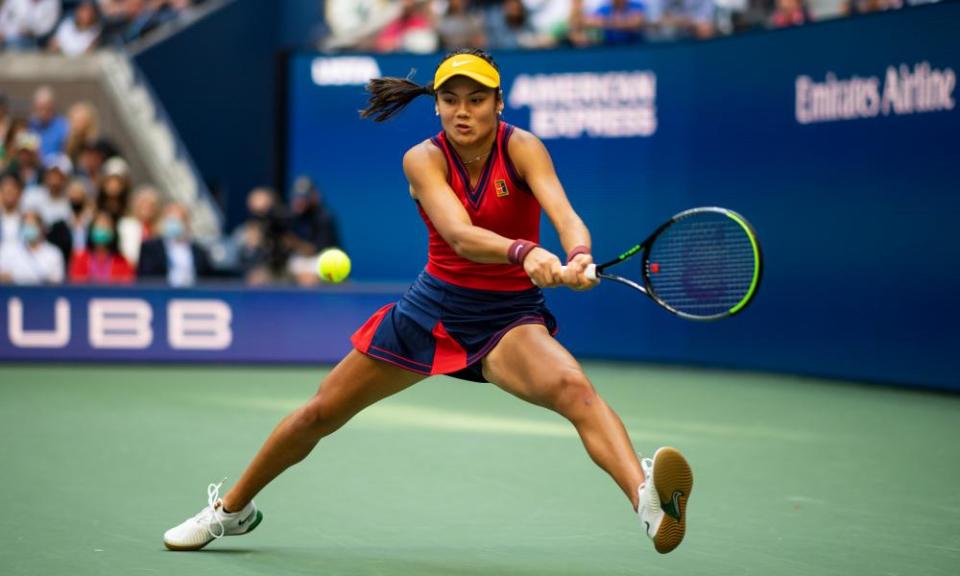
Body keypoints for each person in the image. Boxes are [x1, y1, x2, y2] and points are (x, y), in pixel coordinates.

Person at [162, 49, 693, 555]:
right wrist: (525, 251)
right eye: (451, 99)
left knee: (575, 390)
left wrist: (578, 254)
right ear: (436, 104)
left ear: (499, 102)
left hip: (508, 319)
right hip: (431, 313)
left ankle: (645, 499)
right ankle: (229, 509)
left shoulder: (524, 147)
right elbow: (461, 236)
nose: (463, 111)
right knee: (319, 413)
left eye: (476, 99)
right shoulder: (422, 159)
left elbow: (565, 212)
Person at [137, 202, 212, 286]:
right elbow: (146, 279)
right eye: (170, 220)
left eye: (177, 220)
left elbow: (207, 280)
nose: (173, 224)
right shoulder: (151, 249)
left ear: (186, 222)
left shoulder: (199, 252)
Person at [68, 210, 135, 283]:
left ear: (113, 233)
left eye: (106, 226)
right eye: (98, 226)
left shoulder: (122, 262)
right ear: (91, 230)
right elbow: (76, 288)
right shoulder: (80, 259)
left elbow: (127, 289)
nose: (102, 230)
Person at [0, 210, 64, 284]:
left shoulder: (54, 253)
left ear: (41, 228)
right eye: (26, 225)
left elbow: (56, 281)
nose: (29, 228)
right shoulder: (9, 249)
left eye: (32, 225)